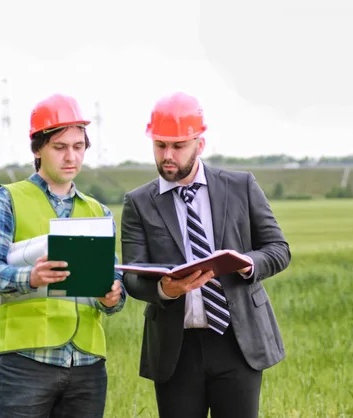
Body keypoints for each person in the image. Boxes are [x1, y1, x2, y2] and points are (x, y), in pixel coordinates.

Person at [120, 91, 291, 418]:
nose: (167, 155)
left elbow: (279, 249)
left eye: (177, 146)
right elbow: (132, 276)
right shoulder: (139, 202)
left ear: (200, 144)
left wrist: (247, 264)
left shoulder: (240, 186)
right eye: (160, 145)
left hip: (238, 342)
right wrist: (163, 289)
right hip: (175, 349)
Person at [0, 93, 126, 418]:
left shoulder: (98, 211)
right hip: (28, 361)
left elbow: (116, 287)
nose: (71, 156)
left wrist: (112, 296)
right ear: (37, 149)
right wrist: (30, 277)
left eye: (78, 146)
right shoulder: (7, 200)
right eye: (60, 147)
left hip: (88, 364)